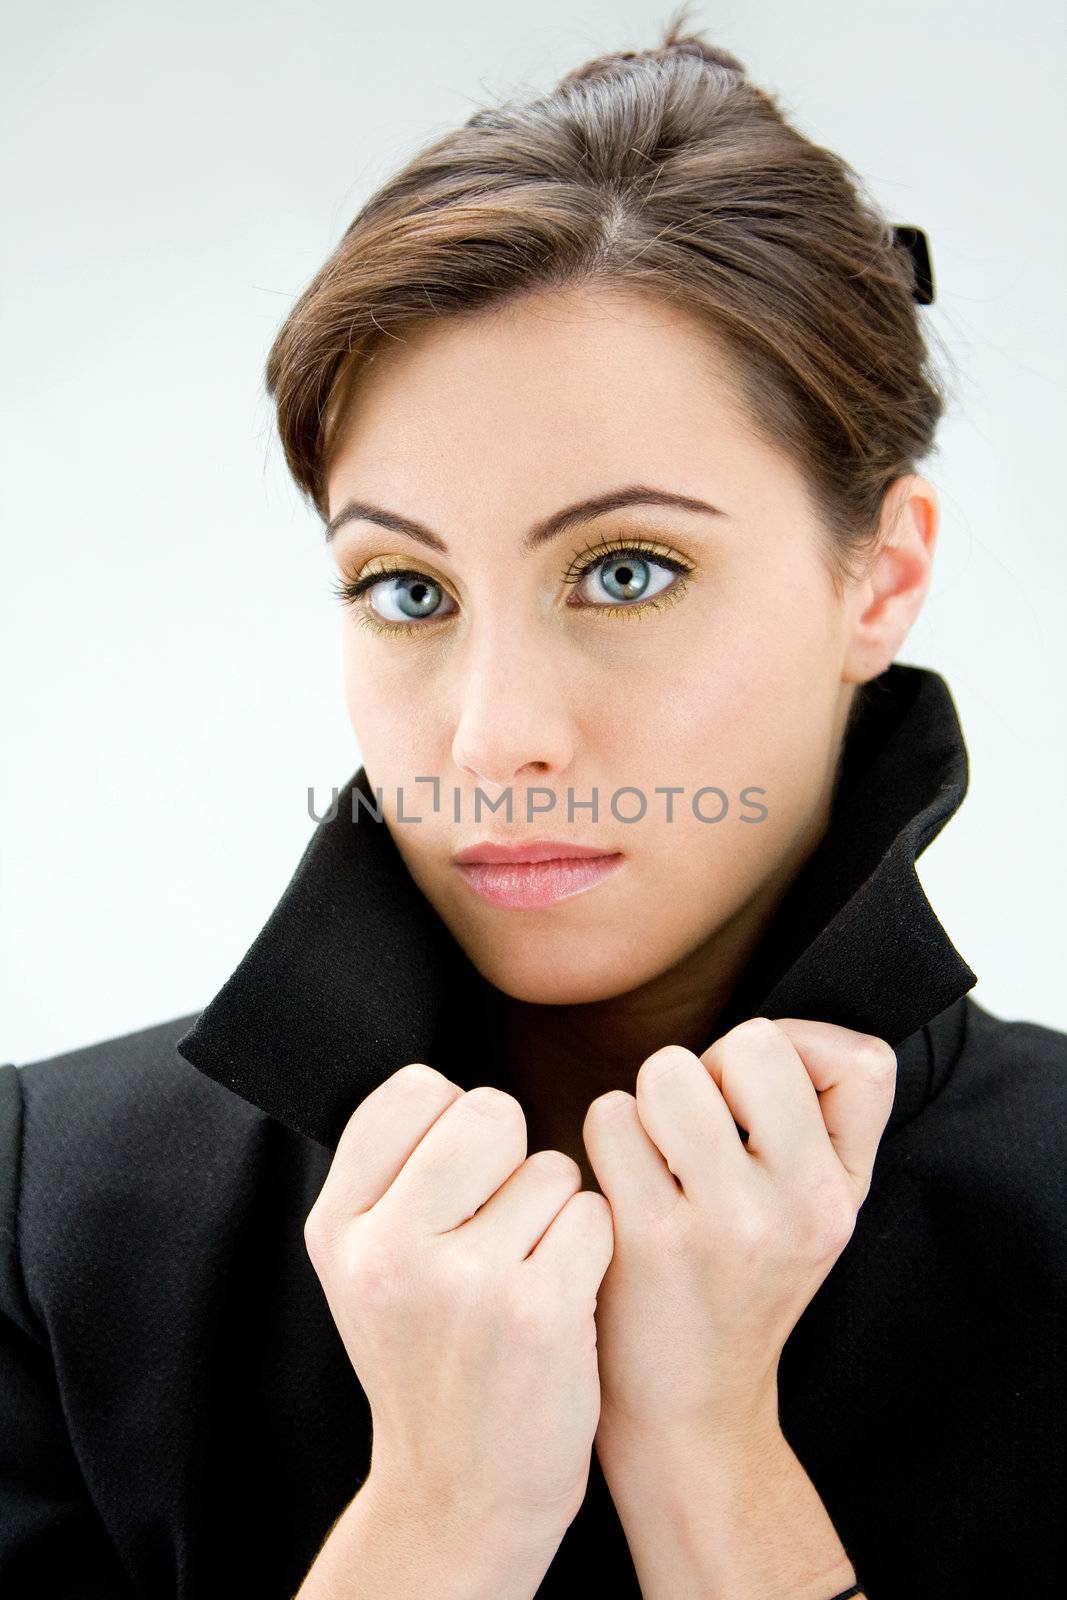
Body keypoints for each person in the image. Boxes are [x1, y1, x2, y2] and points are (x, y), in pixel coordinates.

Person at [2, 8, 1065, 1597]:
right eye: (405, 588)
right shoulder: (50, 1211)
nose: (495, 738)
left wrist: (711, 1456)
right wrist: (437, 1520)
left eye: (624, 571)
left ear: (881, 576)